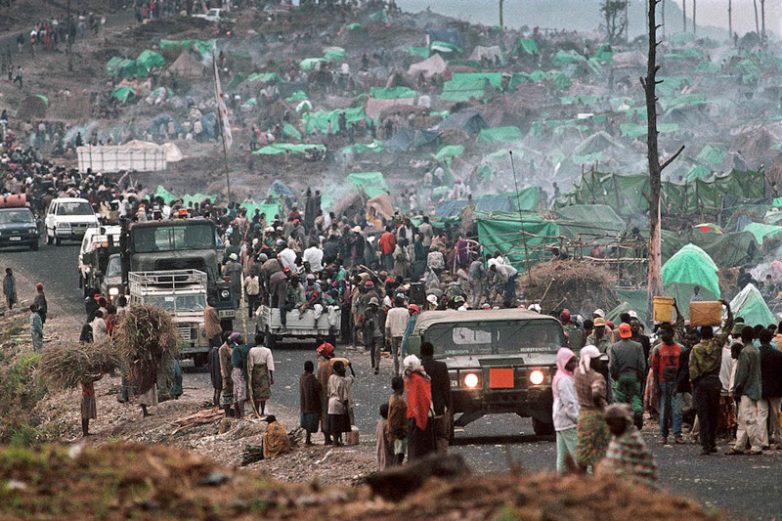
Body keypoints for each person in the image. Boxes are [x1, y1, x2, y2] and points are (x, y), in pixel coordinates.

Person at [690, 300, 733, 455]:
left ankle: (706, 445)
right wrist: (727, 307)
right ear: (711, 334)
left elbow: (693, 371)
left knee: (703, 415)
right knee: (714, 413)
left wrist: (694, 386)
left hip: (701, 383)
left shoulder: (696, 349)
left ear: (701, 334)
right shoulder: (717, 344)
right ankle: (712, 443)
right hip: (715, 382)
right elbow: (728, 327)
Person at [598, 403, 658, 486]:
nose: (610, 428)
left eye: (613, 424)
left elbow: (643, 468)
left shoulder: (631, 440)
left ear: (624, 422)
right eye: (608, 424)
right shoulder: (615, 439)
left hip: (637, 485)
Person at [727, 325, 763, 455]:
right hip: (754, 388)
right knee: (743, 418)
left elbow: (742, 373)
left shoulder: (744, 352)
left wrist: (737, 388)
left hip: (746, 390)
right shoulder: (756, 350)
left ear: (742, 337)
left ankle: (756, 445)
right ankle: (739, 445)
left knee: (748, 418)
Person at [575, 345, 609, 472]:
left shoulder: (577, 372)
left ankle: (580, 482)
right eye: (597, 359)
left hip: (582, 415)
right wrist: (600, 405)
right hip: (596, 417)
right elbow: (595, 393)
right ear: (592, 360)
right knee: (599, 451)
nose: (600, 361)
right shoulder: (597, 377)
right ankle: (597, 481)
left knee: (583, 451)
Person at [609, 323, 646, 429]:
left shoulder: (615, 347)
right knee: (635, 397)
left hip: (620, 377)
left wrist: (615, 376)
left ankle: (622, 420)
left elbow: (613, 365)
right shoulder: (638, 346)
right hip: (634, 377)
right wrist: (640, 376)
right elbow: (642, 364)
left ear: (620, 333)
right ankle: (637, 412)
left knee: (620, 399)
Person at [650, 325, 682, 444]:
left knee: (677, 409)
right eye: (661, 334)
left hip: (675, 383)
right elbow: (655, 368)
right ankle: (664, 435)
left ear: (671, 334)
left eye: (664, 334)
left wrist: (679, 384)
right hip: (663, 382)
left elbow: (683, 368)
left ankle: (677, 434)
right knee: (664, 409)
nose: (662, 336)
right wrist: (656, 386)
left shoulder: (680, 348)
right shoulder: (657, 349)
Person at [420, 341, 451, 454]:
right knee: (441, 436)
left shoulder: (417, 369)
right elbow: (446, 389)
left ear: (421, 353)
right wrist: (449, 407)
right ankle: (442, 462)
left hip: (422, 411)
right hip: (438, 409)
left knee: (424, 439)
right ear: (433, 352)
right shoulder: (441, 367)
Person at [553, 347, 579, 473]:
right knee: (578, 455)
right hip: (568, 422)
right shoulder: (564, 380)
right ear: (564, 363)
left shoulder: (561, 376)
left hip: (560, 421)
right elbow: (570, 403)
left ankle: (560, 481)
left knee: (562, 457)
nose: (575, 364)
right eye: (571, 362)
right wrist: (578, 419)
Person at [403, 354, 434, 460]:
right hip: (421, 418)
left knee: (413, 449)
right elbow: (424, 400)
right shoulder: (419, 380)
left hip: (412, 416)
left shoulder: (408, 379)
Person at [758, 329, 782, 448]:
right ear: (770, 339)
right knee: (777, 414)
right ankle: (778, 438)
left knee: (762, 415)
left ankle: (763, 441)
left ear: (760, 340)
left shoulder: (756, 354)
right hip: (776, 389)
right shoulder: (778, 354)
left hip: (761, 389)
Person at [247, 334, 275, 416]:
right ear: (263, 341)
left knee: (256, 393)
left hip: (255, 372)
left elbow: (250, 364)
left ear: (255, 341)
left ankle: (257, 412)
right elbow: (270, 365)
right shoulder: (267, 351)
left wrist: (250, 375)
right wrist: (271, 378)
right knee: (263, 394)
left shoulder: (252, 350)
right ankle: (262, 411)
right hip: (264, 372)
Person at [327, 360, 353, 446]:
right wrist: (346, 407)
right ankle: (337, 441)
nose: (344, 369)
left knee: (333, 423)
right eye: (343, 367)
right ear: (339, 369)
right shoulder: (341, 381)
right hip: (338, 403)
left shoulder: (331, 377)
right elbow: (344, 396)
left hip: (331, 403)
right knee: (339, 423)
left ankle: (335, 441)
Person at [299, 360, 322, 445]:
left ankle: (307, 439)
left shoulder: (302, 377)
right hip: (312, 404)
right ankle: (308, 440)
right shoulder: (311, 378)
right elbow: (318, 387)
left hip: (303, 404)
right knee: (310, 423)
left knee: (306, 423)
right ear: (312, 368)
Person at [385, 297, 409, 376]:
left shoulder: (390, 312)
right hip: (404, 335)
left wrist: (387, 336)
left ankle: (396, 371)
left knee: (394, 354)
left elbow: (387, 325)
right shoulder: (406, 312)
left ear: (394, 303)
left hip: (394, 335)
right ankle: (402, 371)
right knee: (403, 353)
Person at [387, 375, 408, 465]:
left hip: (394, 433)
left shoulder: (392, 397)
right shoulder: (399, 402)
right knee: (399, 458)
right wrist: (401, 433)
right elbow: (396, 421)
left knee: (396, 458)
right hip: (399, 434)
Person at [230, 333, 251, 418]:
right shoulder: (238, 349)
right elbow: (237, 362)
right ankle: (242, 414)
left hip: (236, 372)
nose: (241, 338)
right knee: (240, 393)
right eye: (239, 337)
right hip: (239, 372)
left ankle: (237, 414)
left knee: (236, 392)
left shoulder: (239, 348)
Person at [364, 297, 383, 374]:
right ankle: (373, 364)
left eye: (374, 305)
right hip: (371, 334)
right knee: (372, 350)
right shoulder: (367, 312)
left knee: (377, 350)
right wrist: (368, 322)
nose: (372, 307)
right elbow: (364, 323)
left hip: (380, 334)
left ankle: (376, 366)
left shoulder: (381, 312)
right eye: (371, 305)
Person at [208, 332, 227, 407]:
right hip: (217, 373)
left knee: (216, 389)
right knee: (218, 389)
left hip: (213, 373)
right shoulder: (217, 351)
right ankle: (217, 404)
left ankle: (216, 403)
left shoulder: (211, 351)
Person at [219, 333, 234, 417]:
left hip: (234, 374)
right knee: (227, 395)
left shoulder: (232, 347)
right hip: (228, 375)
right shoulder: (223, 349)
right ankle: (227, 414)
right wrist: (226, 376)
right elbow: (223, 364)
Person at [376, 403, 393, 471]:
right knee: (387, 463)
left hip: (379, 447)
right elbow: (390, 439)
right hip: (386, 449)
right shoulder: (387, 424)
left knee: (381, 462)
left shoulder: (379, 423)